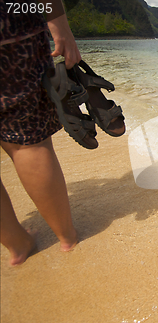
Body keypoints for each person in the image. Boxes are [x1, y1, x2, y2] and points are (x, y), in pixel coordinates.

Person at [1, 0, 80, 265]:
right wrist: (58, 22)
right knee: (26, 141)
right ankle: (66, 236)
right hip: (10, 23)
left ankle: (16, 243)